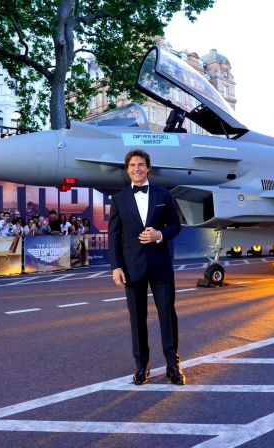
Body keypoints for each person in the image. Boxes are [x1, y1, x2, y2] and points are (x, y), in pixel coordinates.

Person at [108, 149, 185, 386]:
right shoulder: (119, 199)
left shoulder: (163, 194)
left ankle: (173, 366)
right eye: (132, 165)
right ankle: (142, 367)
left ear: (148, 168)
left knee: (167, 316)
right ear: (127, 169)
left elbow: (176, 224)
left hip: (160, 266)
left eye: (141, 165)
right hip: (132, 268)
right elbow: (114, 236)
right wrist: (116, 267)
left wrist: (160, 234)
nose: (137, 169)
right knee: (137, 318)